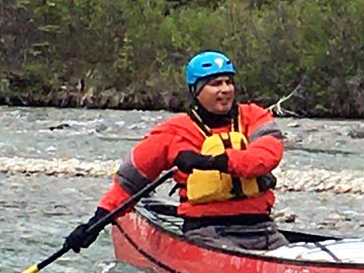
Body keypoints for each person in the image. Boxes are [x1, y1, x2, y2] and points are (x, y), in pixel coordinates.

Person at [63, 50, 288, 256]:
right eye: (215, 83)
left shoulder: (254, 117)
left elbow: (265, 157)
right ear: (196, 91)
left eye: (229, 82)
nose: (225, 89)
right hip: (207, 232)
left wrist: (209, 162)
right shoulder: (173, 132)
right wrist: (95, 223)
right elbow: (128, 183)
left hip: (262, 229)